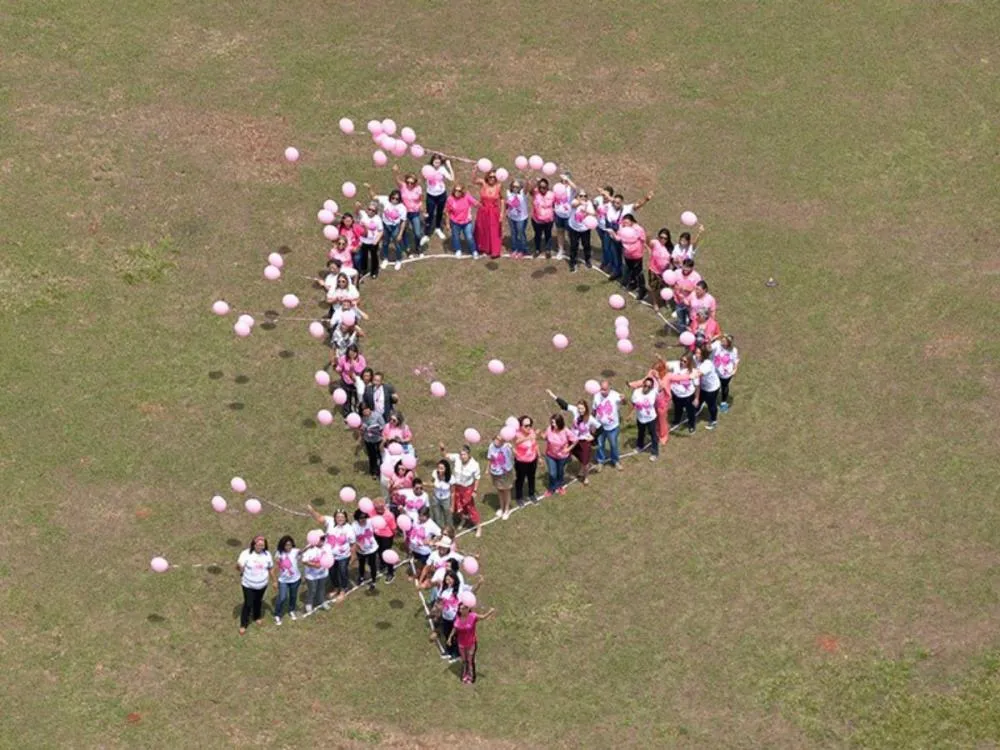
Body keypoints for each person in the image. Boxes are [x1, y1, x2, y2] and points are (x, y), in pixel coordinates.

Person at [547, 389, 600, 484]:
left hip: (584, 442)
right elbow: (564, 405)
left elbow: (600, 428)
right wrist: (553, 395)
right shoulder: (575, 410)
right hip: (573, 440)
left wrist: (593, 437)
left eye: (582, 409)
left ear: (586, 408)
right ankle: (564, 473)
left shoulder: (590, 419)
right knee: (569, 456)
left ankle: (585, 477)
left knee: (585, 461)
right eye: (579, 408)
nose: (580, 411)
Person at [307, 507, 355, 602]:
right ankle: (336, 587)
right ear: (334, 518)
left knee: (342, 572)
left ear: (346, 518)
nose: (340, 519)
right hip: (329, 556)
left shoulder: (349, 529)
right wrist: (312, 511)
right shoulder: (330, 522)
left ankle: (343, 589)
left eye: (342, 517)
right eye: (338, 517)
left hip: (343, 556)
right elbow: (320, 518)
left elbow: (353, 544)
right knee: (332, 573)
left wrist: (353, 557)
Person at [603, 191, 653, 281]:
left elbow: (637, 205)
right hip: (615, 236)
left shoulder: (628, 208)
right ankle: (617, 271)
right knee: (615, 254)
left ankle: (631, 277)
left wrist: (646, 199)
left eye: (618, 203)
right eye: (614, 202)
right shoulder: (611, 207)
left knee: (628, 257)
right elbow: (609, 198)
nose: (615, 204)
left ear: (622, 202)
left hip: (627, 240)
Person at [440, 442, 482, 537]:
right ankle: (463, 520)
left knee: (470, 508)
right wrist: (442, 449)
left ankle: (478, 527)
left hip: (467, 489)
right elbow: (445, 456)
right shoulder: (456, 458)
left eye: (464, 454)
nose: (462, 456)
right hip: (456, 487)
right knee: (457, 506)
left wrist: (475, 490)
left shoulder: (474, 465)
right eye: (461, 454)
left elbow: (477, 478)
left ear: (469, 454)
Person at [236, 535, 275, 635]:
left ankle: (256, 617)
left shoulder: (267, 555)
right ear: (254, 544)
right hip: (248, 585)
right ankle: (243, 624)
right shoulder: (246, 554)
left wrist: (274, 580)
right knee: (248, 603)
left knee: (258, 601)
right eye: (258, 545)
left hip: (262, 585)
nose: (260, 547)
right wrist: (240, 567)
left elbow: (270, 568)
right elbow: (238, 566)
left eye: (262, 545)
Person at [449, 604, 497, 684]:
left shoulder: (473, 616)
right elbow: (455, 628)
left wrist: (490, 612)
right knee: (464, 661)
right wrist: (450, 638)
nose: (461, 610)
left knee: (470, 660)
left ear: (468, 609)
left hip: (471, 643)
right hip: (461, 644)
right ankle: (465, 676)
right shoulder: (457, 619)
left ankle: (471, 678)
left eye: (463, 608)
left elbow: (483, 617)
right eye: (460, 609)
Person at [364, 184, 406, 271]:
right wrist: (369, 188)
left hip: (395, 227)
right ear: (390, 197)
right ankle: (386, 259)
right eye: (393, 198)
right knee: (385, 243)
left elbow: (403, 221)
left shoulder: (402, 208)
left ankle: (398, 260)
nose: (394, 200)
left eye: (397, 199)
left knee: (397, 244)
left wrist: (400, 233)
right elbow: (374, 197)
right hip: (385, 226)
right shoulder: (386, 200)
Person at [392, 165, 428, 254]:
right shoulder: (403, 186)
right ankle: (407, 247)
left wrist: (423, 211)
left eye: (412, 183)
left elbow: (421, 200)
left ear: (415, 183)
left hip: (414, 213)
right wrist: (396, 172)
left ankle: (418, 246)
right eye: (408, 182)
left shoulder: (418, 189)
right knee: (403, 230)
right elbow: (397, 180)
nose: (409, 184)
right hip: (404, 213)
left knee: (417, 233)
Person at [614, 214, 648, 300]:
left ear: (632, 222)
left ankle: (642, 290)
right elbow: (618, 238)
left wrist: (638, 246)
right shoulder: (622, 228)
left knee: (638, 272)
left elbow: (643, 240)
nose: (624, 224)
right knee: (630, 269)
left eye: (627, 223)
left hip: (636, 254)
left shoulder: (638, 229)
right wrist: (612, 234)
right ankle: (633, 284)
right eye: (623, 222)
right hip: (627, 254)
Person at [542, 413, 577, 497]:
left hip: (562, 457)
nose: (552, 424)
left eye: (554, 423)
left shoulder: (565, 431)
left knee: (560, 472)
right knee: (552, 473)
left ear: (559, 423)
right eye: (551, 422)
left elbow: (575, 440)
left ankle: (560, 486)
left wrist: (568, 449)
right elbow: (545, 437)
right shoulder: (550, 429)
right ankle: (551, 488)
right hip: (550, 455)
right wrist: (541, 435)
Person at [592, 381, 623, 471]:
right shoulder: (596, 396)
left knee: (613, 445)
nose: (602, 391)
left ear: (610, 388)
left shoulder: (615, 395)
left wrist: (623, 399)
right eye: (601, 389)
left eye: (605, 389)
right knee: (600, 445)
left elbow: (624, 403)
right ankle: (600, 461)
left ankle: (615, 461)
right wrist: (592, 424)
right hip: (600, 427)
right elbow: (594, 410)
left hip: (612, 427)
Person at [472, 168, 503, 258]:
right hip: (483, 210)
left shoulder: (499, 186)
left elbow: (502, 199)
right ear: (487, 177)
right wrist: (475, 170)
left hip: (494, 211)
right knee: (482, 229)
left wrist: (502, 213)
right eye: (490, 176)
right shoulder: (483, 183)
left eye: (494, 177)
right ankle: (482, 248)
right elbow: (474, 180)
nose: (492, 178)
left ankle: (495, 251)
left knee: (494, 230)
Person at [423, 154, 454, 240]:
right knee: (430, 214)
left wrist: (449, 166)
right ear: (432, 161)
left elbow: (451, 178)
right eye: (435, 162)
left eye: (439, 163)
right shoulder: (427, 168)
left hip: (441, 195)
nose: (437, 164)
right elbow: (423, 178)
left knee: (440, 212)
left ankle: (437, 228)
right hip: (431, 195)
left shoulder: (442, 169)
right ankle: (426, 233)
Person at [630, 376, 660, 461]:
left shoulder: (653, 393)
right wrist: (632, 411)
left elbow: (661, 387)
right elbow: (633, 402)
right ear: (643, 384)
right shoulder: (636, 392)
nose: (646, 388)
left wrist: (658, 378)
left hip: (651, 418)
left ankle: (655, 452)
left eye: (649, 387)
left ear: (651, 388)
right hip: (640, 417)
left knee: (653, 435)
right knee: (641, 432)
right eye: (645, 385)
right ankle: (640, 446)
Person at [486, 432, 515, 520]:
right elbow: (490, 458)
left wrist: (511, 448)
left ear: (503, 441)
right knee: (499, 490)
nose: (497, 441)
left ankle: (507, 510)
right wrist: (487, 469)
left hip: (505, 472)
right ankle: (501, 508)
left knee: (506, 490)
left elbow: (514, 455)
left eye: (500, 439)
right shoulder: (491, 446)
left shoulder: (506, 447)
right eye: (496, 438)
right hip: (495, 472)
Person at [669, 353, 700, 434]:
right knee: (677, 409)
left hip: (688, 396)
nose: (682, 362)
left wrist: (696, 398)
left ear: (689, 362)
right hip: (676, 394)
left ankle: (691, 425)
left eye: (684, 361)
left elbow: (697, 386)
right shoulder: (676, 365)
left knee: (690, 412)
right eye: (681, 360)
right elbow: (664, 364)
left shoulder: (693, 372)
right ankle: (676, 421)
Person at [273, 535, 301, 624]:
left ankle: (291, 610)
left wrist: (310, 546)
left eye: (290, 545)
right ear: (282, 545)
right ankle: (277, 614)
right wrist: (278, 561)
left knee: (293, 596)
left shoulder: (295, 551)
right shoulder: (279, 553)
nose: (288, 547)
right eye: (286, 545)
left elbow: (302, 551)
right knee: (282, 597)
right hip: (283, 580)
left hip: (295, 579)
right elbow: (277, 562)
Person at [444, 184, 478, 257]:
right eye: (455, 190)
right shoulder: (450, 199)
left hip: (467, 222)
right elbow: (447, 212)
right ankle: (458, 250)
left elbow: (476, 203)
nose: (457, 192)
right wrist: (447, 224)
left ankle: (474, 251)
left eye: (459, 191)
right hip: (455, 223)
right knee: (456, 237)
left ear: (462, 192)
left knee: (469, 237)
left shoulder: (467, 197)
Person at [566, 188, 596, 271]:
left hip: (585, 229)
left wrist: (586, 211)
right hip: (573, 228)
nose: (583, 197)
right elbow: (573, 205)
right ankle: (572, 263)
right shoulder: (574, 201)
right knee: (573, 246)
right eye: (581, 196)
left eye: (585, 196)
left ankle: (588, 260)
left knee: (586, 245)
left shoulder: (589, 203)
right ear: (577, 196)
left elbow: (594, 213)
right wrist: (580, 203)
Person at [300, 532, 330, 613]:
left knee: (321, 588)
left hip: (323, 573)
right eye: (320, 539)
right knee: (312, 590)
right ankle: (309, 604)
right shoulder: (310, 549)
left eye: (323, 539)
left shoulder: (327, 546)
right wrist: (314, 565)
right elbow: (304, 561)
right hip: (311, 575)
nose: (322, 541)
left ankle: (322, 601)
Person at [513, 416, 539, 506]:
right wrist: (528, 438)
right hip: (521, 462)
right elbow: (516, 442)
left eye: (530, 425)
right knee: (520, 479)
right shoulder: (516, 434)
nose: (529, 427)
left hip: (532, 460)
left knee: (532, 478)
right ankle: (519, 497)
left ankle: (531, 494)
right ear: (520, 426)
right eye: (526, 426)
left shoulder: (531, 432)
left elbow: (535, 444)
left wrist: (539, 456)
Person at [527, 177, 555, 258]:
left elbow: (555, 204)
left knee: (548, 235)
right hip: (537, 220)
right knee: (537, 235)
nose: (542, 189)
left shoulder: (552, 194)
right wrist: (537, 182)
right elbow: (530, 190)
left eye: (544, 187)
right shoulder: (535, 193)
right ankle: (537, 249)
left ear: (547, 187)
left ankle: (548, 250)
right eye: (540, 187)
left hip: (548, 220)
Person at [406, 505, 442, 571]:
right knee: (414, 562)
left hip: (423, 551)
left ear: (427, 516)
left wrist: (432, 541)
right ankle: (415, 571)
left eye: (422, 516)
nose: (419, 518)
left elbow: (440, 534)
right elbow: (406, 513)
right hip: (413, 547)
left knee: (424, 566)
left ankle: (423, 574)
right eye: (419, 515)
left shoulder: (431, 525)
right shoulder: (415, 517)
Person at [695, 344, 722, 430]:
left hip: (712, 388)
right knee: (698, 400)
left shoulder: (707, 364)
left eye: (698, 353)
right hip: (703, 387)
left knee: (711, 404)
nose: (696, 355)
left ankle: (713, 420)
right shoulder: (696, 359)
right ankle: (695, 412)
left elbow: (698, 374)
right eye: (696, 352)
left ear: (704, 355)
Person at [351, 509, 379, 592]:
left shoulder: (370, 522)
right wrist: (358, 545)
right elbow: (352, 539)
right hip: (361, 551)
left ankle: (373, 581)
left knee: (372, 565)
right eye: (361, 518)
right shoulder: (354, 526)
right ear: (357, 518)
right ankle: (361, 577)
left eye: (364, 517)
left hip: (372, 549)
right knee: (362, 564)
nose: (363, 519)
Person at [371, 498, 398, 583]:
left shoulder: (389, 515)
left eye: (381, 507)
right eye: (377, 508)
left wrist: (393, 536)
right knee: (379, 551)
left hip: (387, 536)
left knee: (387, 554)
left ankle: (391, 572)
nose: (379, 510)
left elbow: (393, 528)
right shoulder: (372, 512)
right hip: (376, 534)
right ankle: (382, 565)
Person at [711, 335, 740, 412]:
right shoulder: (717, 344)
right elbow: (709, 348)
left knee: (724, 386)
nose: (722, 341)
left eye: (724, 340)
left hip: (726, 373)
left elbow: (735, 360)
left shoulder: (733, 350)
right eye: (722, 339)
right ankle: (710, 399)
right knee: (713, 385)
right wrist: (710, 340)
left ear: (728, 343)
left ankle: (723, 403)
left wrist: (735, 369)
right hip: (714, 371)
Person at [671, 258, 702, 329]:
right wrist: (674, 286)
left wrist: (685, 288)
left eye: (688, 268)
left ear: (692, 268)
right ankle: (682, 333)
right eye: (684, 266)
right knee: (681, 320)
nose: (685, 269)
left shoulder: (696, 276)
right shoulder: (677, 272)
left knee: (692, 319)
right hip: (679, 301)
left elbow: (698, 290)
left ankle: (692, 332)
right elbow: (672, 282)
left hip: (690, 303)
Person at [336, 344, 366, 416]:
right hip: (346, 382)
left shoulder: (361, 359)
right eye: (350, 353)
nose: (352, 355)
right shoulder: (343, 358)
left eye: (354, 353)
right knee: (346, 398)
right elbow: (339, 368)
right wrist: (339, 370)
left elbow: (362, 371)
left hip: (357, 383)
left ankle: (359, 412)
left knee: (358, 398)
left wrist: (354, 365)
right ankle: (347, 414)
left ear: (356, 353)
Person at [357, 405, 385, 478]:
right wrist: (361, 431)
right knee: (372, 456)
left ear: (369, 409)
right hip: (368, 440)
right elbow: (361, 429)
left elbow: (383, 425)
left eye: (366, 409)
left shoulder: (377, 415)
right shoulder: (362, 418)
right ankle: (374, 472)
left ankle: (382, 471)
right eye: (364, 411)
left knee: (381, 455)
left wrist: (375, 429)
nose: (365, 412)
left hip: (378, 439)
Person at [648, 228, 673, 311]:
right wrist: (647, 237)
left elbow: (671, 260)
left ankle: (666, 301)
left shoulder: (670, 248)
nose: (663, 239)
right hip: (653, 271)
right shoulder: (655, 243)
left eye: (665, 238)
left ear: (668, 239)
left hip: (665, 273)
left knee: (665, 287)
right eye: (661, 237)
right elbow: (648, 244)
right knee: (654, 288)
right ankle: (655, 303)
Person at [552, 175, 575, 258]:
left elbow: (576, 189)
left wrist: (568, 179)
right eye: (562, 180)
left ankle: (572, 250)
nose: (564, 181)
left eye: (565, 180)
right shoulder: (557, 187)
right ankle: (561, 249)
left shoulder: (571, 189)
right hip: (558, 214)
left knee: (571, 234)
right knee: (560, 232)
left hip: (569, 216)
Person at [505, 179, 529, 256]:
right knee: (513, 233)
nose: (515, 188)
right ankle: (515, 248)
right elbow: (507, 204)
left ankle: (523, 249)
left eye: (517, 187)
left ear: (520, 187)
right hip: (511, 217)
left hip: (521, 218)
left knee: (521, 233)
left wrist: (528, 183)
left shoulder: (522, 194)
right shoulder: (508, 193)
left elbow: (527, 189)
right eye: (513, 186)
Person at [430, 459, 453, 529]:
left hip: (446, 499)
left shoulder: (451, 478)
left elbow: (453, 492)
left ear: (446, 469)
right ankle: (438, 531)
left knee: (447, 517)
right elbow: (432, 483)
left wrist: (452, 505)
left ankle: (449, 531)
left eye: (442, 468)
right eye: (438, 468)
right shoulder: (434, 473)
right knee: (436, 516)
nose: (439, 470)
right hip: (436, 498)